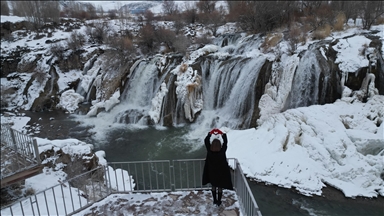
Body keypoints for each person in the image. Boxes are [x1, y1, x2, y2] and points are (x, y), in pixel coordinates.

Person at [202, 128, 233, 206]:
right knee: (219, 187)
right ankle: (219, 201)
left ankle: (214, 200)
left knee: (213, 186)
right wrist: (222, 134)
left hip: (211, 173)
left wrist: (210, 133)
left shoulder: (210, 152)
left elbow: (206, 141)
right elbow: (225, 142)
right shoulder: (222, 152)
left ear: (211, 145)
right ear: (220, 146)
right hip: (221, 173)